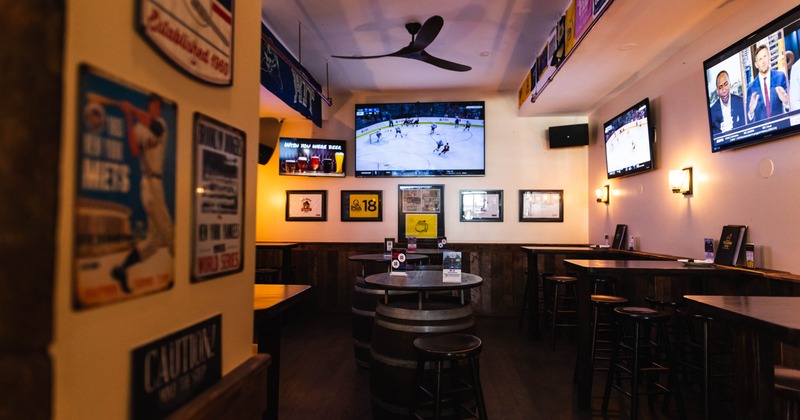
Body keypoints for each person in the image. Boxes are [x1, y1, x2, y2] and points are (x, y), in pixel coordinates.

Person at [110, 94, 174, 293]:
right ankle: (184, 273)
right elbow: (134, 150)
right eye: (153, 105)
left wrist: (132, 109)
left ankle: (121, 270)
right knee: (168, 230)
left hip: (157, 182)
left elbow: (154, 127)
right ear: (149, 106)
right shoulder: (139, 128)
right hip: (148, 183)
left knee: (153, 242)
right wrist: (129, 117)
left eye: (158, 106)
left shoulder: (161, 124)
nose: (156, 108)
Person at [746, 44, 789, 122]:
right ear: (756, 65)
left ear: (769, 57)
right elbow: (748, 120)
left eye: (765, 56)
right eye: (760, 59)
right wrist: (751, 112)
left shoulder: (780, 77)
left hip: (781, 126)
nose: (763, 61)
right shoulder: (751, 89)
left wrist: (786, 102)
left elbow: (792, 107)